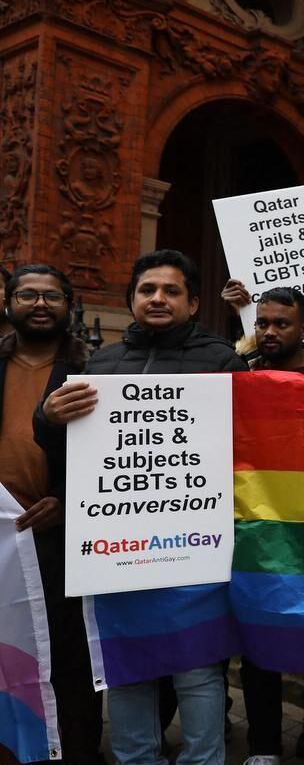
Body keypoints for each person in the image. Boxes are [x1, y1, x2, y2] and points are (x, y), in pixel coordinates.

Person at [36, 249, 248, 765]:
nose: (157, 298)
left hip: (194, 549)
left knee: (197, 670)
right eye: (147, 290)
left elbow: (251, 445)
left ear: (194, 303)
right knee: (127, 668)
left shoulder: (222, 360)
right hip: (118, 552)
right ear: (132, 299)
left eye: (171, 291)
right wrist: (48, 417)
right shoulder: (100, 364)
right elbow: (70, 453)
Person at [0, 264, 103, 765]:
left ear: (68, 305)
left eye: (52, 297)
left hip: (62, 534)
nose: (39, 305)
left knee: (70, 656)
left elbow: (114, 456)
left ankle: (77, 750)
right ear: (9, 303)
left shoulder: (96, 369)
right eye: (27, 295)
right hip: (1, 535)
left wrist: (67, 498)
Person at [239, 286, 304, 765]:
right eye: (263, 323)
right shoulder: (239, 374)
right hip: (258, 526)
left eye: (282, 324)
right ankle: (262, 745)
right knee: (260, 636)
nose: (270, 331)